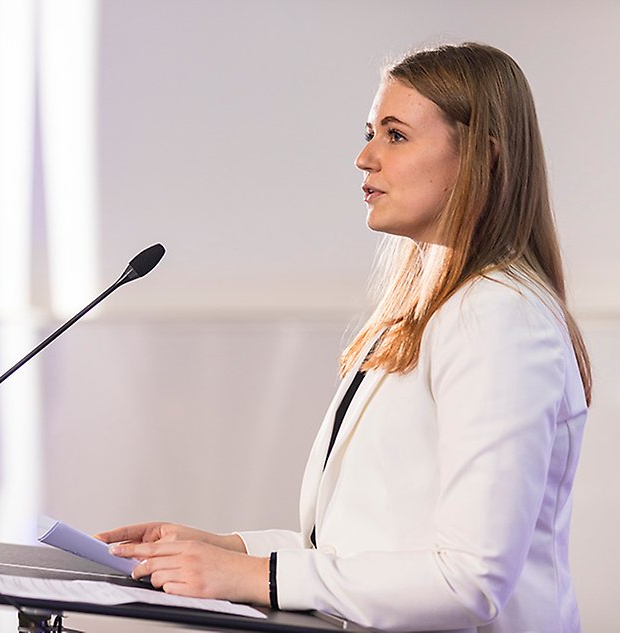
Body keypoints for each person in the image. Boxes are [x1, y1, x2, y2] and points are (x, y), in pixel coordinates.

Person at [97, 42, 591, 632]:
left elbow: (471, 579)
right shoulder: (434, 310)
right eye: (369, 132)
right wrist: (223, 549)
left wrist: (256, 579)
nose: (364, 157)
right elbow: (358, 546)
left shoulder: (500, 315)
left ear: (481, 157)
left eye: (396, 135)